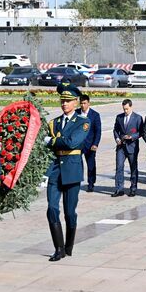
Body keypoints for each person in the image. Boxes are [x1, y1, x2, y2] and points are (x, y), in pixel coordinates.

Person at [43, 82, 89, 261]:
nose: (64, 104)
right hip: (55, 170)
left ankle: (69, 245)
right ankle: (59, 248)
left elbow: (71, 142)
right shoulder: (53, 123)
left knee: (70, 212)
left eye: (68, 101)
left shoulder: (83, 122)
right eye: (63, 100)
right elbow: (48, 152)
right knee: (52, 209)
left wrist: (52, 141)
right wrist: (45, 172)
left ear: (76, 103)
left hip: (72, 170)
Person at [113, 99, 142, 197]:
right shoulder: (119, 117)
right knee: (119, 167)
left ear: (131, 107)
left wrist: (132, 137)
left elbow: (141, 132)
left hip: (132, 146)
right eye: (124, 109)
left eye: (127, 109)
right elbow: (116, 129)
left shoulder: (138, 118)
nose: (125, 111)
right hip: (121, 146)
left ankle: (133, 188)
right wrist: (117, 138)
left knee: (133, 168)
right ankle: (119, 189)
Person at [76, 94, 101, 192]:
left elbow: (98, 131)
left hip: (90, 145)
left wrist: (95, 144)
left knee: (91, 165)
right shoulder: (76, 113)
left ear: (88, 103)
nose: (82, 105)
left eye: (84, 103)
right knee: (77, 164)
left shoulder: (95, 115)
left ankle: (91, 183)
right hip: (78, 144)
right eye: (81, 103)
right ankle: (77, 182)